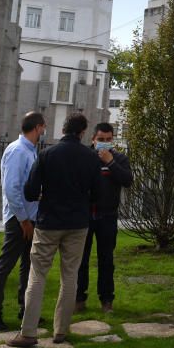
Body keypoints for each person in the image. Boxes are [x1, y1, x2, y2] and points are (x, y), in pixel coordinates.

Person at [9, 113, 101, 348]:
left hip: (49, 221)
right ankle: (61, 330)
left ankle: (28, 332)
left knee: (37, 274)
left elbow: (30, 191)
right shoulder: (91, 158)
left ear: (63, 129)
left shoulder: (47, 154)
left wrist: (44, 195)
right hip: (77, 224)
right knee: (69, 275)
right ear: (82, 133)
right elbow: (98, 194)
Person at [0, 112, 46, 331]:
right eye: (43, 128)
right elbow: (11, 188)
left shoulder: (30, 151)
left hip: (30, 216)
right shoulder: (18, 151)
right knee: (5, 266)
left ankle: (26, 311)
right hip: (19, 218)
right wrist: (23, 220)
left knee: (28, 267)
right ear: (38, 127)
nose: (43, 132)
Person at [75, 122, 132, 314]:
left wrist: (110, 163)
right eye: (101, 140)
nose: (105, 143)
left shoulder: (119, 159)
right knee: (80, 259)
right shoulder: (83, 158)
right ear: (93, 139)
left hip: (107, 216)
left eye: (108, 140)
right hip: (85, 215)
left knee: (106, 260)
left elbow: (127, 180)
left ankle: (106, 299)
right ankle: (79, 298)